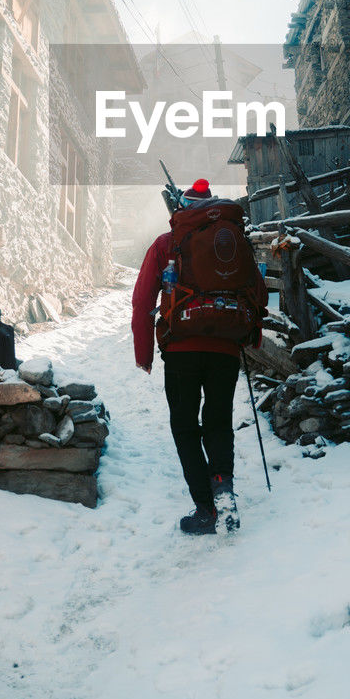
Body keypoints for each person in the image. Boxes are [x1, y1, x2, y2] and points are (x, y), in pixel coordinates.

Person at [131, 178, 268, 535]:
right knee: (219, 422)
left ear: (182, 207)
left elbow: (142, 301)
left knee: (186, 427)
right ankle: (223, 486)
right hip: (225, 347)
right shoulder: (233, 242)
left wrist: (144, 353)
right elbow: (258, 293)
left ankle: (206, 509)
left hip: (180, 349)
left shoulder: (168, 243)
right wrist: (251, 336)